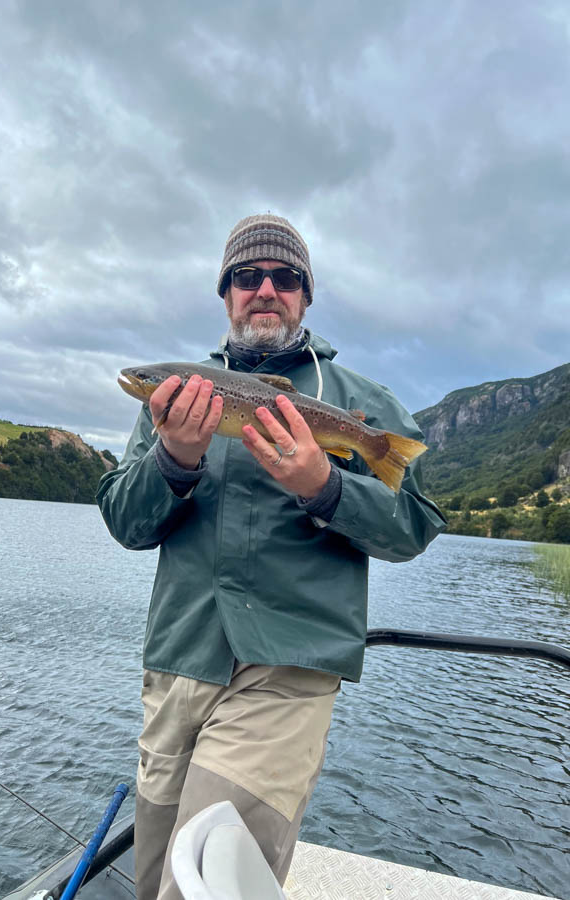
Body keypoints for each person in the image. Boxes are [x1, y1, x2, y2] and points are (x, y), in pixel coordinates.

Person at [96, 214, 446, 899]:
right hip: (178, 659)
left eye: (284, 279)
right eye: (247, 277)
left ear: (305, 297)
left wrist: (325, 486)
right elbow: (124, 521)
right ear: (225, 294)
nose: (266, 290)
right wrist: (174, 457)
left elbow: (415, 526)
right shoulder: (174, 398)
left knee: (206, 882)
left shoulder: (362, 409)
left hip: (290, 665)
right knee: (152, 878)